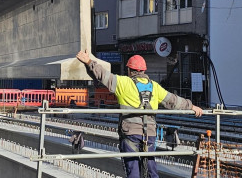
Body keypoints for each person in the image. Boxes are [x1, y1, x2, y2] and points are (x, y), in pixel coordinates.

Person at [76, 50, 203, 178]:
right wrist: (192, 106)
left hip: (130, 134)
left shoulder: (123, 83)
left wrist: (88, 61)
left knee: (133, 170)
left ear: (130, 70)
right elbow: (174, 101)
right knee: (150, 169)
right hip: (150, 135)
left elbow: (102, 75)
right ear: (143, 71)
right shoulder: (155, 87)